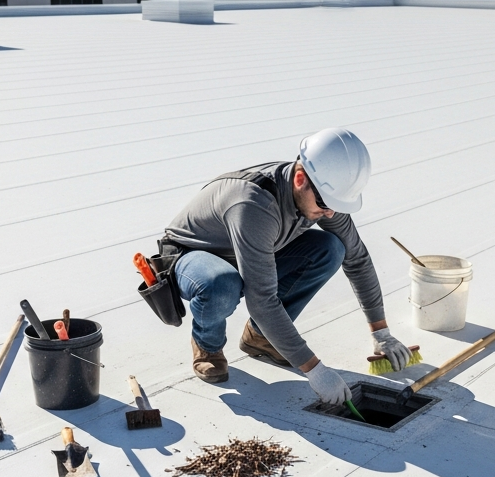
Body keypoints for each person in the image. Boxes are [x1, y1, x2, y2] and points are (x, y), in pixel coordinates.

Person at [161, 128, 414, 406]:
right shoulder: (253, 204)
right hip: (195, 256)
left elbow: (357, 258)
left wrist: (381, 333)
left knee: (331, 248)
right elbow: (262, 299)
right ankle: (207, 346)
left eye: (336, 205)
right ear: (300, 178)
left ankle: (260, 337)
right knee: (222, 284)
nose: (330, 213)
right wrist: (313, 369)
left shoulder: (321, 194)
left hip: (253, 249)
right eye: (324, 204)